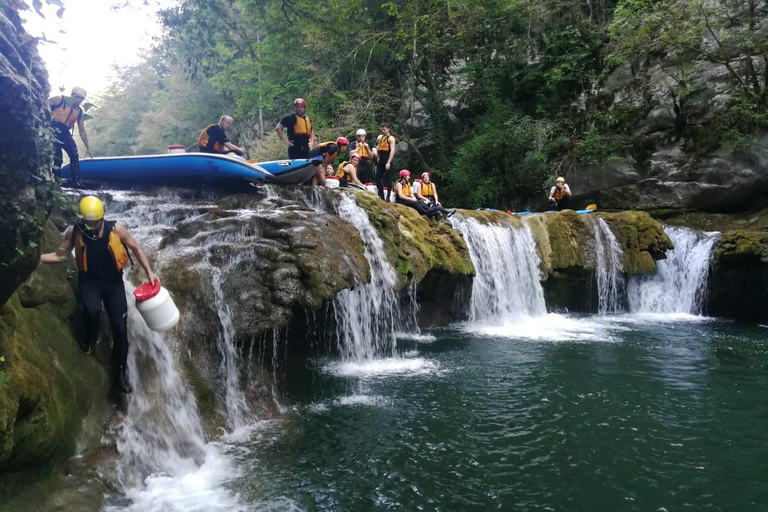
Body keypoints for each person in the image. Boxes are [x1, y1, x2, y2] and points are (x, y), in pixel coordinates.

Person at [40, 196, 159, 394]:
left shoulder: (117, 229)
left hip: (113, 283)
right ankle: (90, 340)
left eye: (95, 222)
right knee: (93, 310)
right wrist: (35, 257)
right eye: (88, 222)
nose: (92, 226)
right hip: (90, 282)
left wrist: (150, 272)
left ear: (102, 217)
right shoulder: (74, 231)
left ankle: (120, 373)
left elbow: (136, 249)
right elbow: (59, 256)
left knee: (120, 328)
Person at [49, 86, 93, 187]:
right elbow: (44, 105)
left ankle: (76, 181)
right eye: (77, 97)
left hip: (65, 132)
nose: (79, 100)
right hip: (53, 128)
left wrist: (88, 147)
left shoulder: (79, 111)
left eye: (81, 99)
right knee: (58, 158)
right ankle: (56, 182)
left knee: (74, 154)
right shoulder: (60, 100)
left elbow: (82, 130)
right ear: (72, 95)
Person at [375, 123, 396, 202]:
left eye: (384, 129)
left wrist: (388, 162)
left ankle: (388, 196)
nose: (383, 131)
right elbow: (378, 148)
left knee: (388, 178)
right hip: (381, 159)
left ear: (388, 129)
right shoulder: (380, 138)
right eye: (382, 129)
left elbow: (392, 150)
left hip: (387, 158)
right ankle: (381, 195)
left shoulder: (391, 138)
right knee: (377, 177)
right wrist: (378, 157)